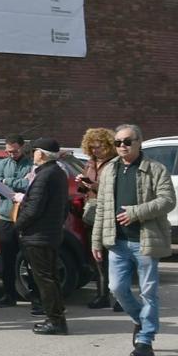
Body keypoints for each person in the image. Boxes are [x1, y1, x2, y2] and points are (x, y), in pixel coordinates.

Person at [90, 124, 176, 356]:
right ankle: (141, 319)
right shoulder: (109, 170)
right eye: (118, 142)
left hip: (145, 242)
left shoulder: (155, 169)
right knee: (116, 289)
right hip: (116, 242)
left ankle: (145, 340)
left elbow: (168, 201)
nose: (122, 147)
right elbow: (102, 209)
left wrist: (137, 212)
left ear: (139, 142)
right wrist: (96, 241)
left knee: (149, 292)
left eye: (127, 141)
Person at [15, 137, 70, 335]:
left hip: (39, 235)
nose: (33, 155)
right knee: (50, 277)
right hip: (50, 233)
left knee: (45, 278)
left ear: (42, 154)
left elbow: (33, 208)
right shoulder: (57, 172)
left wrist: (18, 226)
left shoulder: (46, 175)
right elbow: (65, 207)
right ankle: (55, 317)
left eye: (35, 151)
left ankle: (55, 320)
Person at [0, 135, 36, 311]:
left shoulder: (31, 164)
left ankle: (35, 297)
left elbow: (29, 185)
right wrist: (9, 184)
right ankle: (8, 295)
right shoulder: (3, 164)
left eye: (15, 151)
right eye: (8, 151)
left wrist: (8, 182)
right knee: (7, 259)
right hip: (5, 217)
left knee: (30, 259)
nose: (11, 154)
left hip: (24, 218)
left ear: (22, 147)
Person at [78, 127, 117, 309]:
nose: (95, 150)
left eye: (99, 146)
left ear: (108, 145)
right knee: (97, 256)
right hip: (91, 213)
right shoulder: (90, 163)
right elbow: (89, 189)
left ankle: (116, 298)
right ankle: (102, 295)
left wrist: (91, 184)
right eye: (92, 147)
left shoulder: (114, 164)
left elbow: (112, 190)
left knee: (112, 257)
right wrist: (83, 184)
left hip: (109, 213)